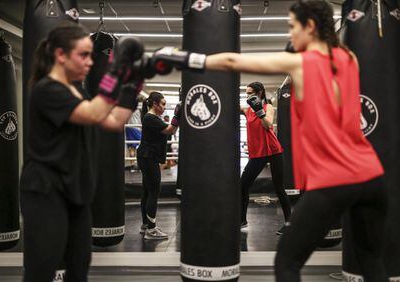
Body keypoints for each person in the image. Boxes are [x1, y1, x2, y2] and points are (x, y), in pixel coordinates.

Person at [148, 0, 388, 280]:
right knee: (370, 259)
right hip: (372, 175)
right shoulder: (349, 58)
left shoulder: (300, 62)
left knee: (287, 263)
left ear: (310, 26)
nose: (290, 35)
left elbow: (230, 61)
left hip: (336, 178)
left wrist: (186, 58)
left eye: (292, 27)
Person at [19, 23, 144, 282]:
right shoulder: (47, 89)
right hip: (46, 190)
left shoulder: (78, 90)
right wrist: (118, 72)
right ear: (61, 55)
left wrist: (134, 84)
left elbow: (111, 121)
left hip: (75, 189)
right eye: (83, 55)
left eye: (91, 55)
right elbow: (93, 113)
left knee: (79, 265)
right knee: (43, 267)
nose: (89, 62)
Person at [240, 81, 291, 235]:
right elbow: (226, 104)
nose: (248, 96)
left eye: (251, 93)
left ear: (260, 93)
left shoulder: (268, 107)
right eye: (247, 93)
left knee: (279, 187)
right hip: (257, 154)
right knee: (242, 186)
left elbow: (267, 125)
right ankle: (242, 220)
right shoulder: (245, 109)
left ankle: (289, 223)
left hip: (274, 151)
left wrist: (258, 110)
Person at [137, 92, 181, 240]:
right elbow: (171, 130)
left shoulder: (152, 117)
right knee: (154, 191)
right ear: (154, 104)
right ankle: (152, 229)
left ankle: (145, 225)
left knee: (147, 191)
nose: (164, 106)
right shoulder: (150, 118)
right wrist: (177, 115)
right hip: (148, 158)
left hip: (146, 156)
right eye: (162, 103)